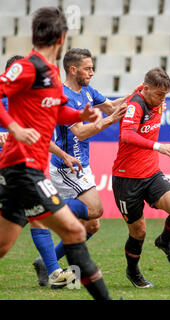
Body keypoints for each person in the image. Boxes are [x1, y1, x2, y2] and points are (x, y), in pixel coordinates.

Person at [0, 7, 111, 300]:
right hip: (23, 167)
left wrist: (81, 113)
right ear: (61, 38)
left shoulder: (49, 73)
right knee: (76, 232)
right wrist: (13, 127)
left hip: (25, 168)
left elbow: (59, 110)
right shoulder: (28, 66)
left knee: (2, 244)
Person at [29, 48, 130, 288]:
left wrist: (138, 94)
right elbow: (81, 131)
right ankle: (49, 209)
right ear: (73, 70)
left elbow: (109, 106)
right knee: (95, 209)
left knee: (92, 224)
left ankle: (47, 261)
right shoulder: (63, 97)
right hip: (67, 167)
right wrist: (111, 120)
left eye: (93, 68)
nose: (92, 73)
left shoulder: (86, 91)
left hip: (81, 165)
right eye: (88, 68)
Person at [0, 55, 85, 288]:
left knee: (39, 218)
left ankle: (54, 273)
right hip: (8, 170)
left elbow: (40, 134)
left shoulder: (29, 101)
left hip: (25, 171)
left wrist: (63, 154)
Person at [112, 67, 170, 288]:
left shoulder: (153, 95)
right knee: (139, 231)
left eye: (165, 95)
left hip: (151, 173)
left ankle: (164, 242)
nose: (162, 100)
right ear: (146, 89)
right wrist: (158, 146)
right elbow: (126, 135)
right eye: (159, 95)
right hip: (126, 179)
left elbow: (146, 84)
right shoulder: (136, 104)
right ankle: (133, 271)